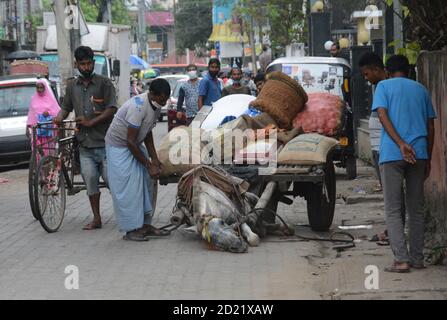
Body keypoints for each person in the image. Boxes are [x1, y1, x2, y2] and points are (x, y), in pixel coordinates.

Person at [372, 55, 436, 272]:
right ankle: (417, 259)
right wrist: (426, 156)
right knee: (416, 209)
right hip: (418, 154)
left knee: (393, 208)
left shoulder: (383, 86)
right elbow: (430, 126)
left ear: (388, 71)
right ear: (408, 71)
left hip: (392, 154)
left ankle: (401, 259)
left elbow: (382, 114)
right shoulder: (421, 90)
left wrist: (400, 143)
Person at [54, 46, 117, 231]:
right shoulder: (72, 86)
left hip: (105, 144)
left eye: (89, 63)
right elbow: (66, 107)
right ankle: (97, 218)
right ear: (77, 64)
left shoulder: (104, 83)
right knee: (90, 180)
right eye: (83, 64)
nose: (87, 67)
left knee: (111, 180)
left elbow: (112, 109)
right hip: (85, 145)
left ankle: (125, 214)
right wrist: (59, 117)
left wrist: (91, 122)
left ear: (93, 63)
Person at [105, 78, 170, 241]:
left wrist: (154, 159)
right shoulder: (138, 106)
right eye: (161, 99)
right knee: (129, 189)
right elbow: (130, 141)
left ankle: (145, 225)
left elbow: (147, 132)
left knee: (146, 182)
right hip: (119, 147)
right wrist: (148, 165)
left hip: (134, 144)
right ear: (152, 94)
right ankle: (131, 230)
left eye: (166, 99)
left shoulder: (155, 106)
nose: (164, 102)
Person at [26, 79, 61, 157]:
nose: (39, 90)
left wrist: (49, 113)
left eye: (41, 87)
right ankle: (39, 167)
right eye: (37, 88)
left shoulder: (50, 99)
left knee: (48, 150)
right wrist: (27, 127)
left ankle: (48, 166)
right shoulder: (33, 98)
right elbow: (31, 113)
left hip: (48, 129)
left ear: (45, 88)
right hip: (36, 130)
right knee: (36, 150)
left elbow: (57, 111)